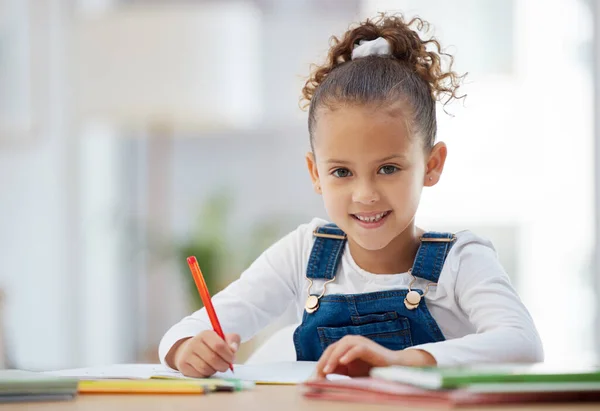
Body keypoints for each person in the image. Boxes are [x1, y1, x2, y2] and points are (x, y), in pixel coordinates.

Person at [159, 13, 544, 379]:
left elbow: (523, 343)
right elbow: (183, 334)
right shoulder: (302, 253)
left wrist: (401, 361)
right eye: (341, 172)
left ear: (432, 164)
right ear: (316, 174)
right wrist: (187, 350)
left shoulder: (462, 261)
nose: (365, 195)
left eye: (388, 169)